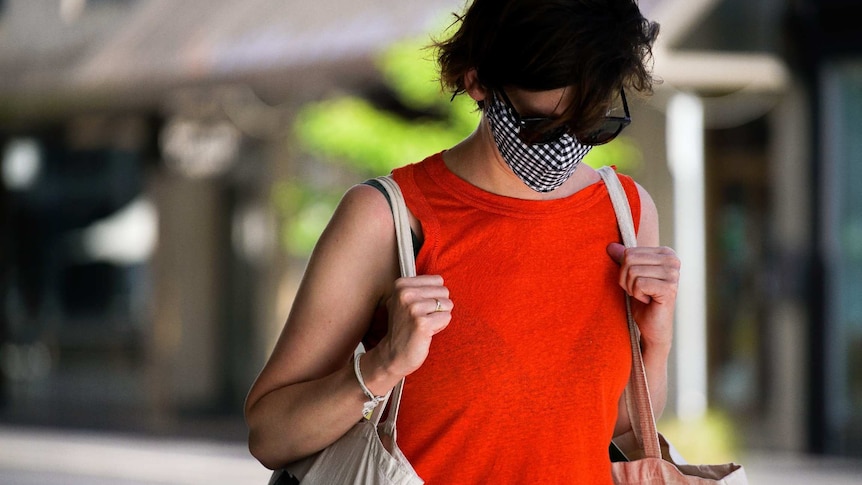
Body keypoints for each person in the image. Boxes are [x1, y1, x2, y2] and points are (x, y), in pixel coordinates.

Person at [245, 0, 679, 482]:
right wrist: (383, 366)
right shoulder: (388, 220)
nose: (567, 147)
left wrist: (654, 344)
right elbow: (269, 435)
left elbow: (604, 431)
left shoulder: (628, 215)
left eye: (593, 124)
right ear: (477, 82)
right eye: (543, 129)